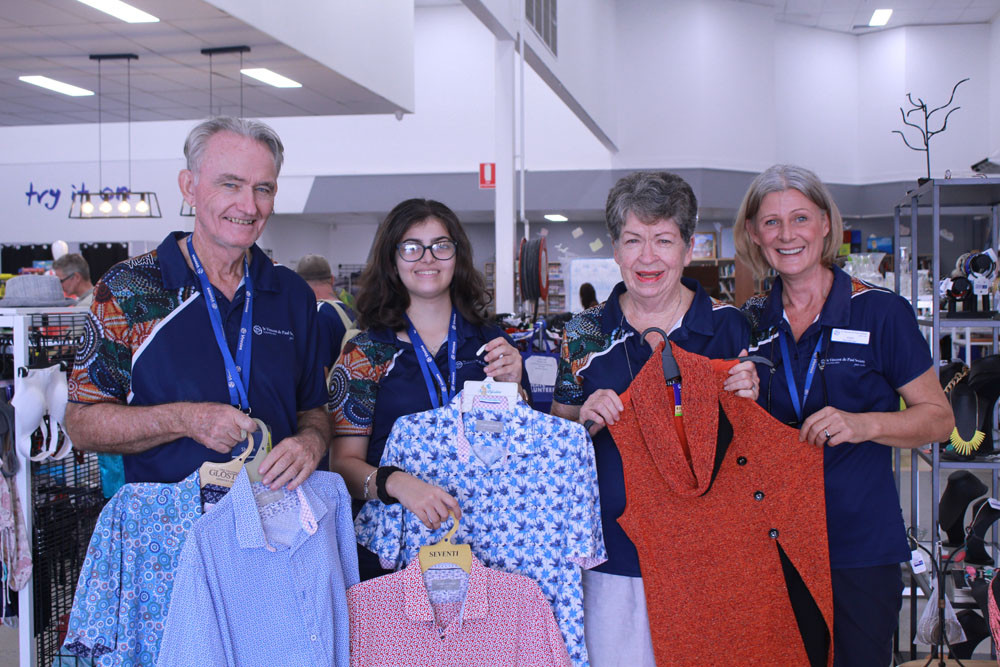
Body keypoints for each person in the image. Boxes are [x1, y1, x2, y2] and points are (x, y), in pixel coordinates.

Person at [733, 164, 953, 665]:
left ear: (826, 224)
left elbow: (939, 420)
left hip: (858, 547)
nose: (787, 235)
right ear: (752, 233)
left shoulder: (880, 312)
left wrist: (865, 423)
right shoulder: (747, 322)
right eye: (771, 222)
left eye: (800, 218)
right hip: (772, 545)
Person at [550, 171, 758, 666]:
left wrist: (749, 398)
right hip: (612, 558)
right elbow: (556, 436)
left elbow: (756, 447)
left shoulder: (730, 326)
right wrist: (581, 416)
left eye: (663, 240)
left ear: (688, 249)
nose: (648, 257)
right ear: (616, 252)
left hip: (712, 556)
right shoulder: (581, 334)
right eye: (633, 241)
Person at [65, 116, 330, 491]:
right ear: (189, 187)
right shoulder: (128, 288)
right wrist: (185, 420)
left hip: (272, 529)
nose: (248, 205)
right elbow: (81, 423)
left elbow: (313, 410)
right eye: (230, 184)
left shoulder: (291, 293)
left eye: (263, 189)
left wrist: (311, 442)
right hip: (169, 534)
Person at [328, 198, 528, 580]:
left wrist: (515, 388)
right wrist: (397, 483)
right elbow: (342, 465)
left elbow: (524, 450)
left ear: (457, 255)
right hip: (392, 551)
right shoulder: (365, 354)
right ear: (392, 260)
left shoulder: (493, 345)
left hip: (487, 544)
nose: (428, 258)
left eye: (441, 245)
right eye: (411, 247)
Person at [296, 253, 356, 374]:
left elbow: (319, 372)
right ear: (332, 279)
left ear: (299, 283)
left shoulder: (315, 314)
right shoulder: (352, 311)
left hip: (329, 391)